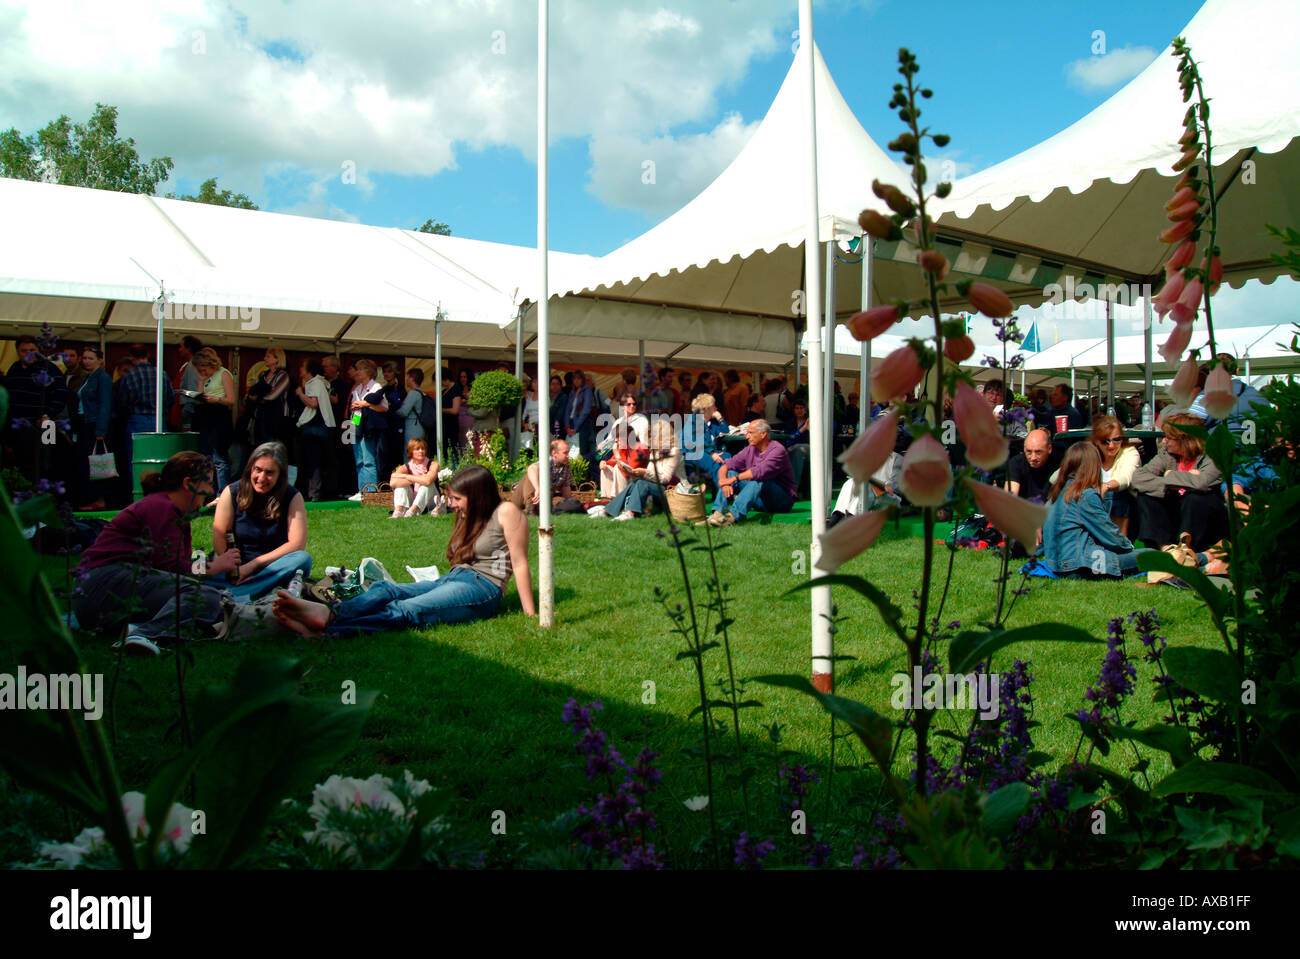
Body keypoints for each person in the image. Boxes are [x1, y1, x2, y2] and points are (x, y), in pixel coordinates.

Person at [272, 464, 535, 635]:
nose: (452, 505)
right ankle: (329, 615)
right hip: (457, 578)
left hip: (484, 588)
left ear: (477, 496)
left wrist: (532, 614)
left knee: (408, 609)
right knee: (386, 589)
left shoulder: (507, 512)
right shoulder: (470, 516)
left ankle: (328, 627)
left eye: (457, 499)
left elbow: (520, 563)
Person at [73, 451, 239, 652]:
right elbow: (172, 566)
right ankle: (144, 635)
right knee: (202, 596)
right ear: (189, 484)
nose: (211, 491)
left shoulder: (171, 511)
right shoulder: (162, 508)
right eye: (208, 483)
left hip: (101, 591)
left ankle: (141, 629)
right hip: (102, 584)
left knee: (210, 599)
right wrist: (213, 566)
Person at [212, 441, 311, 602]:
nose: (262, 478)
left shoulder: (292, 496)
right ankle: (253, 590)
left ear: (280, 474)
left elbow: (297, 544)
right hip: (235, 568)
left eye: (270, 473)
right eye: (257, 470)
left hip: (273, 568)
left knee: (302, 558)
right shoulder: (231, 492)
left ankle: (238, 593)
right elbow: (220, 536)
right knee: (198, 565)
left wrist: (252, 566)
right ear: (250, 468)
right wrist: (235, 570)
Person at [1041, 443, 1151, 578]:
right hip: (1079, 565)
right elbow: (1108, 533)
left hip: (1056, 563)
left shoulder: (1058, 491)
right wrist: (1128, 547)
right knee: (1151, 555)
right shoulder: (1085, 494)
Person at [1130, 413, 1230, 552]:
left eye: (1169, 438)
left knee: (1194, 498)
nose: (1164, 441)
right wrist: (1174, 480)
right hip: (1175, 513)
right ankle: (1165, 547)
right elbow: (1138, 478)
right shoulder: (1167, 455)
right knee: (1146, 496)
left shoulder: (1211, 456)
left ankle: (1188, 548)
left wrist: (1171, 475)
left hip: (1204, 518)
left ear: (1185, 440)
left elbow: (1203, 482)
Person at [703, 419, 796, 526]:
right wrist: (724, 482)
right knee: (731, 473)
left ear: (763, 434)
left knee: (758, 480)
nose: (747, 436)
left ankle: (732, 517)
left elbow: (759, 472)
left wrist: (733, 479)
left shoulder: (778, 450)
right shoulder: (750, 449)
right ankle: (717, 513)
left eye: (751, 433)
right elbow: (726, 465)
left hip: (781, 501)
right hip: (760, 500)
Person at [602, 416, 687, 520]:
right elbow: (651, 474)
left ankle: (630, 513)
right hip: (659, 488)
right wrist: (634, 473)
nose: (651, 438)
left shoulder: (674, 451)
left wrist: (644, 473)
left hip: (673, 492)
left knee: (642, 483)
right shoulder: (655, 451)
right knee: (636, 483)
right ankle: (607, 511)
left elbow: (666, 478)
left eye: (654, 436)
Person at [116, 344, 173, 476]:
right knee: (159, 458)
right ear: (147, 356)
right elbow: (170, 397)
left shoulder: (129, 375)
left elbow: (122, 402)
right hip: (158, 419)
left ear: (132, 358)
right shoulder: (161, 374)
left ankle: (139, 492)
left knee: (138, 459)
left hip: (137, 419)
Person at [71, 347, 113, 511]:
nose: (86, 361)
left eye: (90, 358)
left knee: (98, 461)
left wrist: (100, 430)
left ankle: (100, 498)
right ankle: (91, 497)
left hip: (94, 423)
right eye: (85, 358)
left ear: (100, 360)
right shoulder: (87, 378)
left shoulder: (102, 378)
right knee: (88, 461)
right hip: (85, 422)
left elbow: (105, 404)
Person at [190, 347, 237, 493]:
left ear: (210, 365)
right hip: (205, 416)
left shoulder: (223, 374)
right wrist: (201, 380)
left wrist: (216, 399)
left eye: (204, 370)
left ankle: (222, 492)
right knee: (205, 456)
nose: (202, 373)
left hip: (219, 416)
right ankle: (208, 491)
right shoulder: (206, 377)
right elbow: (199, 399)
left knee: (219, 458)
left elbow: (231, 400)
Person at [1089, 415, 1140, 536]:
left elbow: (1125, 479)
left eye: (1116, 439)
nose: (1111, 445)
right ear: (1096, 441)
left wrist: (1106, 486)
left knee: (1117, 494)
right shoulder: (1089, 453)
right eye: (1105, 441)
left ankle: (1119, 541)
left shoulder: (1130, 453)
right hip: (1092, 502)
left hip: (1124, 505)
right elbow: (1056, 477)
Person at [295, 357, 336, 502]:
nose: (300, 369)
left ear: (309, 370)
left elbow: (313, 403)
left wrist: (300, 393)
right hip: (322, 426)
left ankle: (313, 493)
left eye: (303, 366)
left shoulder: (314, 383)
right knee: (317, 460)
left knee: (312, 460)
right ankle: (315, 491)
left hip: (314, 426)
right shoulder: (322, 382)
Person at [347, 359, 387, 497]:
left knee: (368, 459)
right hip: (356, 423)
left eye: (360, 369)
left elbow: (384, 407)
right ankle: (361, 490)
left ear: (368, 371)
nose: (357, 372)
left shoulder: (376, 387)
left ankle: (370, 491)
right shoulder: (357, 388)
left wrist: (365, 404)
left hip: (368, 427)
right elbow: (355, 409)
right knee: (359, 459)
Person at [598, 393, 649, 499]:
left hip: (635, 473)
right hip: (621, 450)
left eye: (634, 404)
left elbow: (627, 472)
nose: (632, 406)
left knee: (617, 467)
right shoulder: (619, 421)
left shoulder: (641, 420)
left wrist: (616, 455)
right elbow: (611, 438)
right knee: (603, 465)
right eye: (629, 404)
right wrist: (605, 462)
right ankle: (607, 498)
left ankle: (619, 497)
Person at [511, 438, 581, 515]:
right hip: (523, 497)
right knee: (532, 475)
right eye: (565, 453)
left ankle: (529, 511)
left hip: (544, 498)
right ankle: (530, 509)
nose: (568, 456)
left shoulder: (566, 466)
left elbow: (565, 487)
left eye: (568, 452)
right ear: (554, 453)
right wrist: (538, 489)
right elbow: (531, 468)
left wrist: (571, 503)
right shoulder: (548, 461)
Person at [681, 393, 729, 487]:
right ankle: (723, 492)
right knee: (714, 464)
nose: (716, 408)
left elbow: (725, 431)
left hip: (706, 451)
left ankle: (731, 488)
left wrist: (720, 419)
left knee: (728, 457)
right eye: (714, 405)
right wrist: (711, 453)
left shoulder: (712, 422)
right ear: (707, 408)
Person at [321, 355, 351, 498]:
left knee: (342, 457)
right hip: (327, 426)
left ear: (335, 368)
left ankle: (343, 489)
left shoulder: (343, 385)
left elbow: (349, 409)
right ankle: (329, 488)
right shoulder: (324, 382)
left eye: (327, 366)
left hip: (344, 426)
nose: (324, 369)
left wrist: (352, 425)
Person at [1006, 429, 1060, 504]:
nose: (1033, 457)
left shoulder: (1059, 464)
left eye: (1038, 452)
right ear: (1024, 449)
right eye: (1029, 451)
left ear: (1049, 449)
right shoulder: (1016, 463)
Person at [390, 437, 439, 518]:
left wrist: (406, 476)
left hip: (432, 501)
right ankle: (399, 511)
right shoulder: (405, 467)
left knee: (426, 485)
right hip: (412, 499)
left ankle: (413, 510)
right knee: (400, 487)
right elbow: (393, 483)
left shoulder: (433, 464)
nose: (421, 451)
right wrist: (417, 479)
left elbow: (428, 481)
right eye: (417, 449)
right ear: (411, 452)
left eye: (423, 449)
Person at [174, 335, 203, 430]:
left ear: (188, 349)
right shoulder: (191, 365)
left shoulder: (192, 366)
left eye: (181, 346)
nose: (179, 350)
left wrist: (186, 415)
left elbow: (192, 392)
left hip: (190, 410)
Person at [565, 369, 595, 459]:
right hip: (571, 423)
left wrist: (576, 427)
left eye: (579, 378)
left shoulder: (587, 391)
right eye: (574, 379)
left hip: (582, 424)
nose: (576, 381)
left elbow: (586, 410)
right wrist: (567, 426)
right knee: (571, 451)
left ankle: (583, 472)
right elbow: (567, 409)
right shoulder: (572, 392)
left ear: (582, 380)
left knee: (581, 451)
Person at [392, 367, 426, 444]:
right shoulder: (420, 392)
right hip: (418, 427)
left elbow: (404, 412)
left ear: (412, 379)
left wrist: (391, 411)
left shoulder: (413, 393)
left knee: (410, 452)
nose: (406, 380)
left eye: (407, 377)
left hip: (413, 427)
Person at [456, 369, 476, 447]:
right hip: (460, 416)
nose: (462, 379)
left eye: (465, 377)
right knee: (461, 437)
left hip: (470, 416)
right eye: (461, 377)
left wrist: (467, 400)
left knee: (471, 437)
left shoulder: (474, 389)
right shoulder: (457, 389)